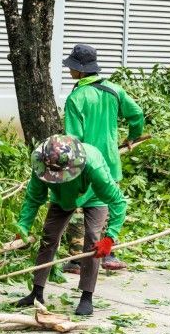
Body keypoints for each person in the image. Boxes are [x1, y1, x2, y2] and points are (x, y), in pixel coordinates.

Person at [13, 134, 127, 316]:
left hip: (94, 196)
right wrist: (22, 228)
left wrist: (110, 238)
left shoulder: (93, 166)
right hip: (62, 198)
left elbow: (118, 202)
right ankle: (37, 292)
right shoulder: (42, 165)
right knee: (48, 237)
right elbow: (33, 199)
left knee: (92, 242)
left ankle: (86, 296)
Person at [61, 43, 145, 271]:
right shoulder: (114, 90)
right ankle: (108, 255)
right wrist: (133, 137)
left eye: (71, 67)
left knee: (79, 207)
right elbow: (136, 114)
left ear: (80, 70)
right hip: (109, 160)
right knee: (106, 206)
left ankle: (77, 260)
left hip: (85, 163)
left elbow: (73, 139)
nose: (69, 71)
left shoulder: (76, 98)